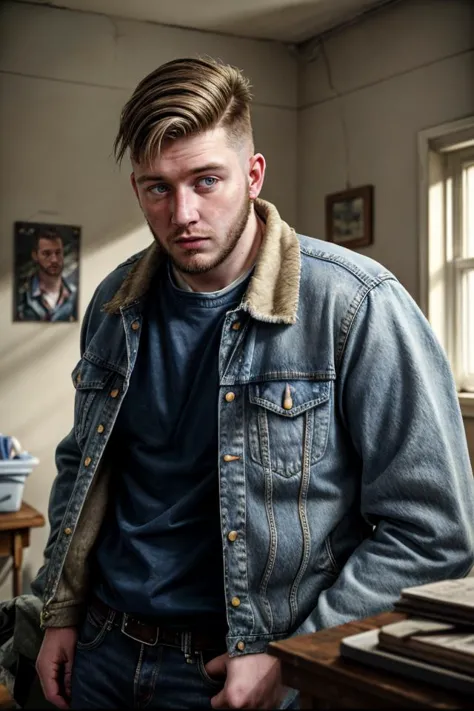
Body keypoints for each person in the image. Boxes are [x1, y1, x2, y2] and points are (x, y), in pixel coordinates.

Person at [32, 56, 474, 710]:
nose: (183, 212)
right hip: (101, 647)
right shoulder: (113, 301)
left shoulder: (355, 305)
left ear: (253, 174)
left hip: (235, 670)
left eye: (206, 180)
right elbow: (82, 464)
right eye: (157, 187)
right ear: (136, 189)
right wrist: (58, 610)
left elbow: (434, 529)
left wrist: (299, 657)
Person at [16, 229, 77, 322]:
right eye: (46, 254)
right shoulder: (21, 296)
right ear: (35, 255)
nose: (54, 260)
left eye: (58, 253)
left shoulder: (74, 294)